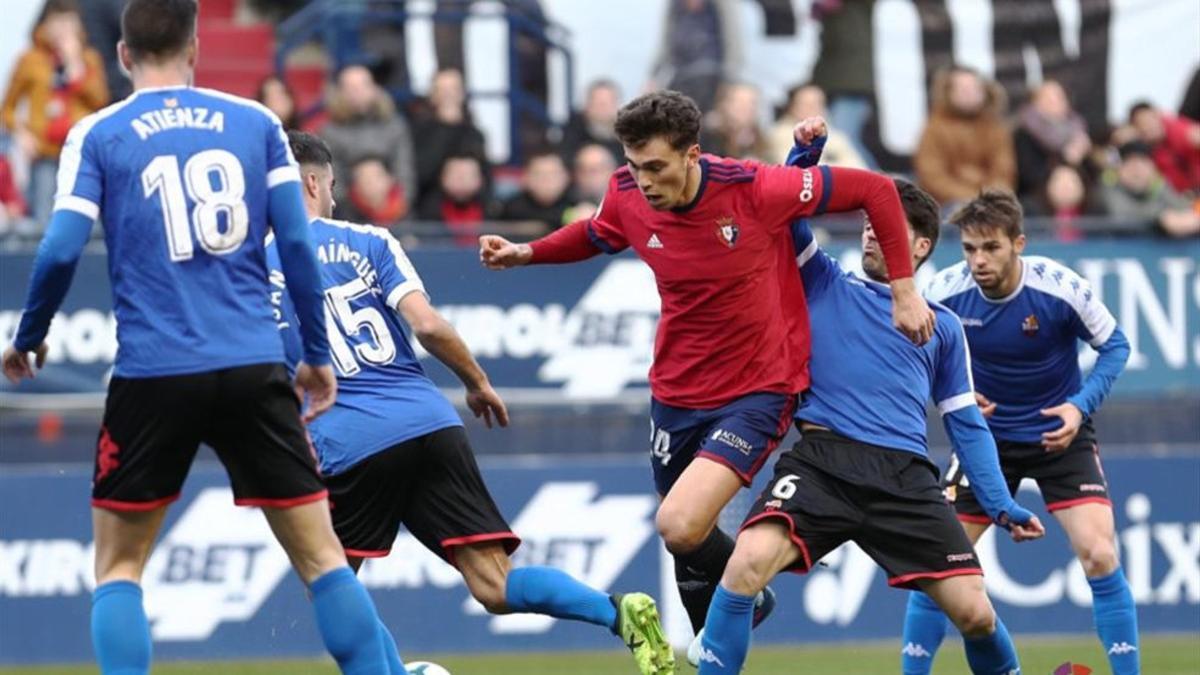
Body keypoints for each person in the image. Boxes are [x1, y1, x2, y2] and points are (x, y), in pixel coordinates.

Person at [0, 2, 399, 673]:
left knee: (120, 566)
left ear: (123, 55)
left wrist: (29, 335)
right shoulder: (256, 122)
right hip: (252, 365)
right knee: (324, 559)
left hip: (153, 370)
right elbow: (297, 244)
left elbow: (62, 247)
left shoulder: (100, 132)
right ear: (196, 45)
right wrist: (315, 356)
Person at [479, 91, 935, 642]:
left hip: (758, 389)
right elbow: (598, 234)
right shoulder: (625, 192)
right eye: (633, 164)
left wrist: (904, 291)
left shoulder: (754, 188)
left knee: (679, 523)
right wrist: (529, 252)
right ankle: (721, 635)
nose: (643, 180)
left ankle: (749, 589)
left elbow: (876, 190)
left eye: (656, 167)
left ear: (692, 155)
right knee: (688, 552)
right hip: (676, 391)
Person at [268, 130, 676, 675]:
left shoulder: (248, 269)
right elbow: (428, 326)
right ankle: (616, 611)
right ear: (315, 183)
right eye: (334, 187)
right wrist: (477, 382)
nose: (336, 197)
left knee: (332, 579)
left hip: (348, 439)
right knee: (494, 583)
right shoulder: (372, 242)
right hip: (428, 422)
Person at [694, 168, 1045, 675]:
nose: (870, 234)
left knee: (976, 614)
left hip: (904, 478)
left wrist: (1000, 503)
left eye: (885, 228)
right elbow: (783, 210)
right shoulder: (824, 281)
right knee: (745, 565)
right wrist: (805, 156)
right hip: (822, 464)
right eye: (867, 225)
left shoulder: (942, 327)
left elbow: (967, 424)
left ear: (920, 246)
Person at [917, 189, 1139, 675]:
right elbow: (911, 360)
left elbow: (1116, 346)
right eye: (970, 248)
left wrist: (1080, 408)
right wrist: (949, 392)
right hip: (983, 442)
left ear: (1019, 243)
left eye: (990, 247)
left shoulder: (1061, 289)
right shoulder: (942, 293)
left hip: (1058, 435)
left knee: (1100, 554)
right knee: (936, 565)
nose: (978, 260)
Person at [2, 0, 109, 229]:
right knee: (44, 220)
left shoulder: (89, 58)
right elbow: (7, 109)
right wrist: (21, 134)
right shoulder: (30, 59)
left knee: (89, 219)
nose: (62, 29)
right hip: (45, 155)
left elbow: (100, 100)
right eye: (57, 22)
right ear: (46, 25)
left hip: (82, 154)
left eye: (69, 22)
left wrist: (75, 65)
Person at [914, 66, 1015, 207]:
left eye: (974, 88)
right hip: (946, 205)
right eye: (962, 89)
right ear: (949, 93)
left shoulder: (995, 128)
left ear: (984, 91)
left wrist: (989, 197)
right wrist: (971, 197)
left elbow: (1004, 172)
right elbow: (932, 176)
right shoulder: (934, 129)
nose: (969, 94)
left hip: (991, 204)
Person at [322, 64, 416, 214]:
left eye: (363, 86)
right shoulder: (330, 132)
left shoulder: (395, 125)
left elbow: (404, 170)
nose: (357, 92)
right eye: (351, 88)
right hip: (349, 211)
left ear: (374, 88)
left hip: (395, 207)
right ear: (341, 93)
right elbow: (333, 179)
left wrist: (398, 204)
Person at [1098, 141, 1199, 238]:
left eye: (1143, 163)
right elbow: (1122, 213)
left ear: (1152, 167)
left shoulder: (1157, 184)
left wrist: (1192, 217)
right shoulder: (1109, 185)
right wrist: (1160, 215)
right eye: (1131, 164)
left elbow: (1180, 208)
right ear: (1120, 168)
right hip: (1110, 248)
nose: (1137, 170)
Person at [767, 82, 865, 168]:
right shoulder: (779, 134)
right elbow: (796, 169)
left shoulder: (837, 136)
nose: (813, 109)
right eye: (807, 104)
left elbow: (859, 168)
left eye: (818, 103)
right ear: (792, 107)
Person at [1127, 101, 1200, 195]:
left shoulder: (1178, 129)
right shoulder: (1150, 151)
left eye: (1150, 120)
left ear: (1158, 114)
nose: (1148, 127)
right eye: (1142, 125)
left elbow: (1194, 135)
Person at [499, 151, 573, 232]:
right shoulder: (510, 209)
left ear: (567, 177)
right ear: (525, 178)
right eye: (539, 174)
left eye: (554, 174)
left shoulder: (576, 204)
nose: (547, 180)